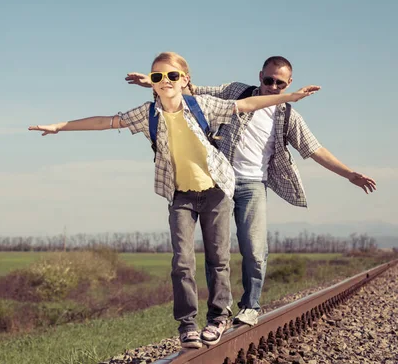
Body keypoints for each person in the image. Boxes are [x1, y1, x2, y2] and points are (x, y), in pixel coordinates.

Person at [29, 52, 319, 348]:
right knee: (182, 262)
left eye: (171, 76)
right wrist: (60, 126)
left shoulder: (202, 105)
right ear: (152, 83)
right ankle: (188, 325)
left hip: (216, 192)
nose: (164, 81)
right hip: (180, 195)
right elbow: (105, 121)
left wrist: (289, 98)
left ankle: (218, 318)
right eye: (157, 77)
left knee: (218, 260)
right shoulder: (148, 113)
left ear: (185, 80)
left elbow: (246, 104)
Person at [124, 55, 375, 327]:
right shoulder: (237, 92)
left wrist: (349, 174)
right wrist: (154, 81)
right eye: (269, 80)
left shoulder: (288, 115)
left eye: (280, 83)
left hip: (254, 185)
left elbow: (315, 150)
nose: (273, 87)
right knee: (215, 252)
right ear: (260, 77)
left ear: (289, 83)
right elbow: (191, 91)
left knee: (255, 250)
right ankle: (219, 311)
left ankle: (250, 306)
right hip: (219, 180)